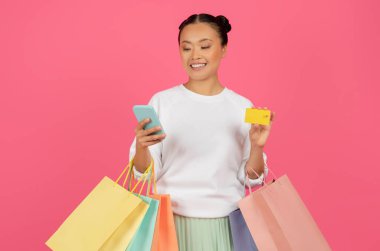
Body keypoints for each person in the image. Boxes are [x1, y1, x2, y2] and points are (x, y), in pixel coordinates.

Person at [129, 13, 275, 251]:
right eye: (186, 48)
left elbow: (250, 178)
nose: (195, 56)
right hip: (170, 229)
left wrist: (257, 147)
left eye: (205, 46)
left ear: (224, 49)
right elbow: (145, 174)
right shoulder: (162, 102)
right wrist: (142, 146)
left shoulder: (243, 106)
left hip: (228, 228)